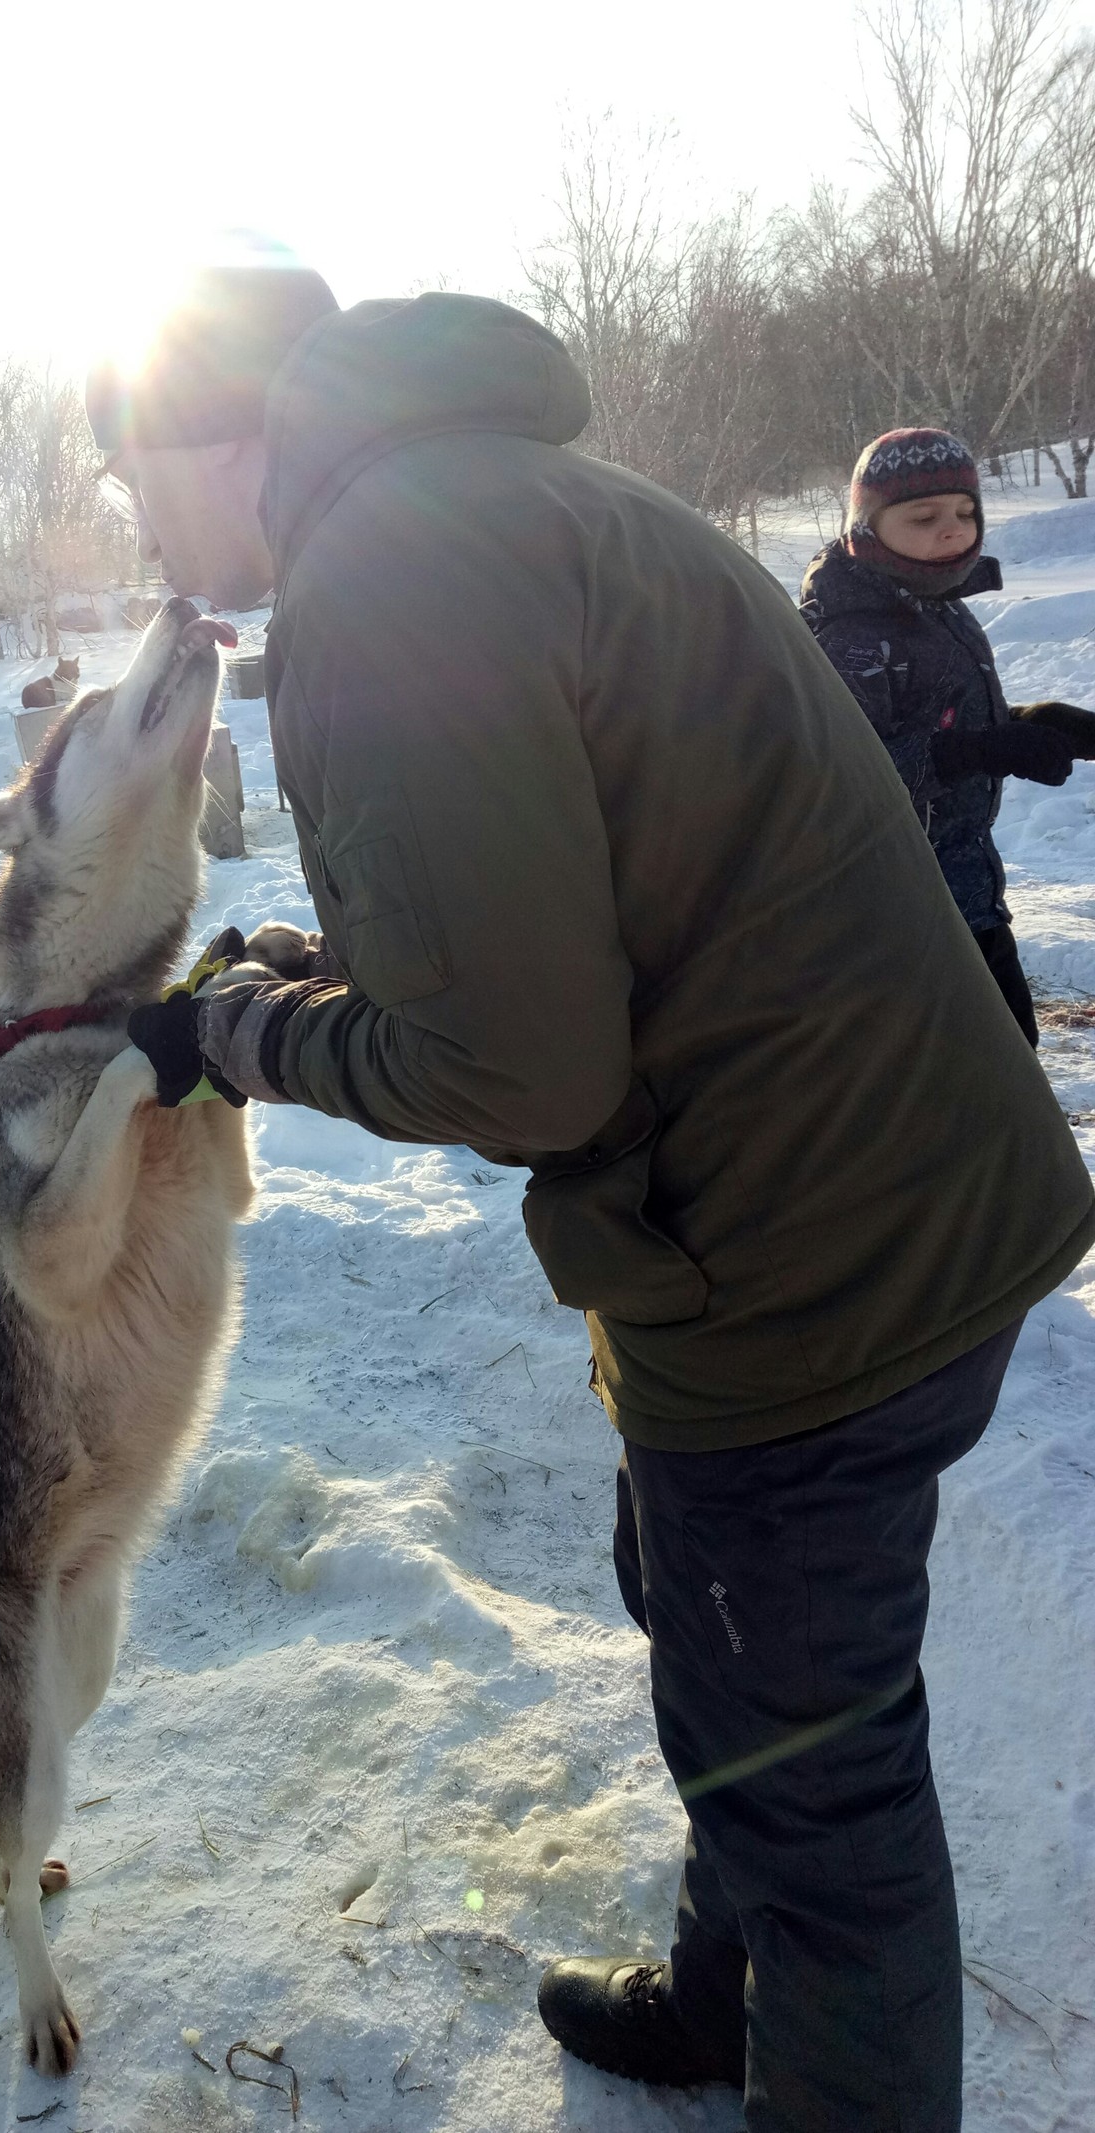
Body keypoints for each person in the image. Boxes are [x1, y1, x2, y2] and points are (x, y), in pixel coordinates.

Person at [89, 262, 1095, 2132]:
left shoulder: (388, 581)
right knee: (729, 1653)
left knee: (813, 1774)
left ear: (217, 433)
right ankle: (736, 2001)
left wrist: (237, 1037)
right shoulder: (506, 497)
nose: (131, 521)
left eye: (130, 471)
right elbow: (560, 912)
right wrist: (325, 964)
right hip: (874, 1193)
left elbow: (515, 1070)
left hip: (804, 1266)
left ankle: (819, 2058)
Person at [800, 427, 1095, 1046]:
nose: (952, 529)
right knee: (965, 1095)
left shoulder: (937, 603)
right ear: (868, 526)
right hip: (894, 918)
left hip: (968, 895)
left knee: (1014, 1065)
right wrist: (980, 751)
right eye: (923, 516)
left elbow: (938, 721)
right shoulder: (853, 637)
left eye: (966, 512)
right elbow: (842, 777)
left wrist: (1029, 723)